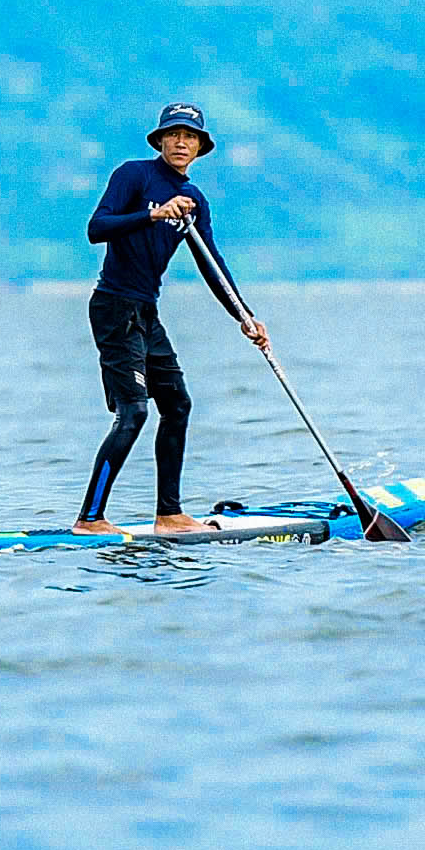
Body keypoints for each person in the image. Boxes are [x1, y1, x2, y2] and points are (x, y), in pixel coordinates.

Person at [72, 102, 268, 536]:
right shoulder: (133, 175)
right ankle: (89, 519)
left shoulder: (194, 202)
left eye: (190, 137)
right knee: (134, 413)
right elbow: (97, 227)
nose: (181, 142)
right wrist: (153, 214)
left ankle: (170, 515)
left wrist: (246, 317)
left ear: (200, 147)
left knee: (178, 404)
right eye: (174, 135)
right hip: (113, 306)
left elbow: (211, 264)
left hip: (146, 311)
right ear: (160, 141)